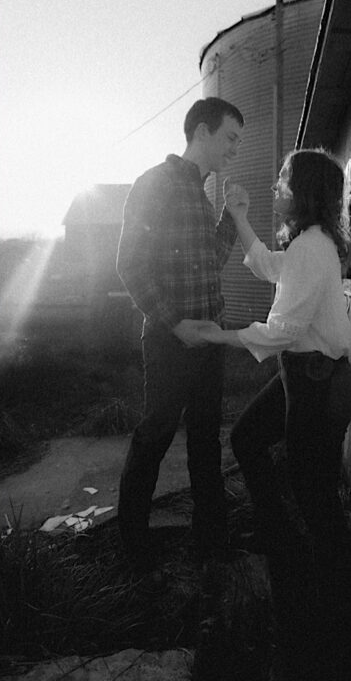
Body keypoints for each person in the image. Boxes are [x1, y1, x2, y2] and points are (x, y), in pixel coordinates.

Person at [194, 149, 351, 677]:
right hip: (304, 374)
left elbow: (286, 330)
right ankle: (285, 546)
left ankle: (344, 618)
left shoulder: (315, 250)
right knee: (248, 440)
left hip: (316, 379)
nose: (276, 186)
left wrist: (216, 335)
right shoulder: (307, 246)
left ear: (303, 190)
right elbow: (271, 268)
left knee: (317, 501)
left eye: (283, 181)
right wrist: (241, 217)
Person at [115, 97, 245, 565]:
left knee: (207, 441)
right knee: (156, 434)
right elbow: (129, 264)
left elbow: (209, 262)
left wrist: (231, 216)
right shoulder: (156, 183)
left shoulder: (201, 192)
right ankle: (132, 545)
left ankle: (212, 542)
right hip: (170, 341)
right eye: (230, 138)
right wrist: (175, 323)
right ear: (203, 132)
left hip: (209, 339)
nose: (234, 149)